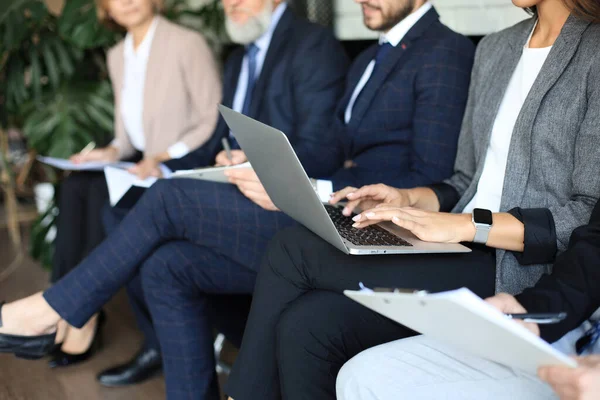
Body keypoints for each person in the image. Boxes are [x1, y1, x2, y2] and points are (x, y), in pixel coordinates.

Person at [0, 0, 477, 397]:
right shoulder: (372, 57)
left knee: (168, 199)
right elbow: (340, 154)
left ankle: (56, 309)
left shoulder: (445, 51)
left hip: (370, 227)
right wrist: (290, 180)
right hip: (329, 205)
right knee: (166, 264)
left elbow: (430, 179)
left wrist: (314, 188)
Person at [222, 0, 600, 399]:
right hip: (455, 242)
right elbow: (465, 179)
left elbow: (586, 213)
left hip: (515, 265)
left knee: (292, 249)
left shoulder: (593, 53)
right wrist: (408, 198)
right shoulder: (495, 48)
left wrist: (467, 225)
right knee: (307, 324)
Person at [49, 0, 221, 368]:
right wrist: (107, 151)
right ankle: (69, 308)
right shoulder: (117, 56)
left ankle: (86, 315)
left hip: (180, 164)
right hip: (140, 163)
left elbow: (211, 120)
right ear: (105, 9)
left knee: (103, 198)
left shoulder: (187, 43)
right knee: (76, 184)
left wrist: (162, 157)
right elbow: (126, 139)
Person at [336, 194, 600, 400]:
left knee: (317, 292)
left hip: (508, 260)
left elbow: (578, 213)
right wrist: (536, 310)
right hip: (580, 323)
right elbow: (595, 243)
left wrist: (470, 225)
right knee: (363, 377)